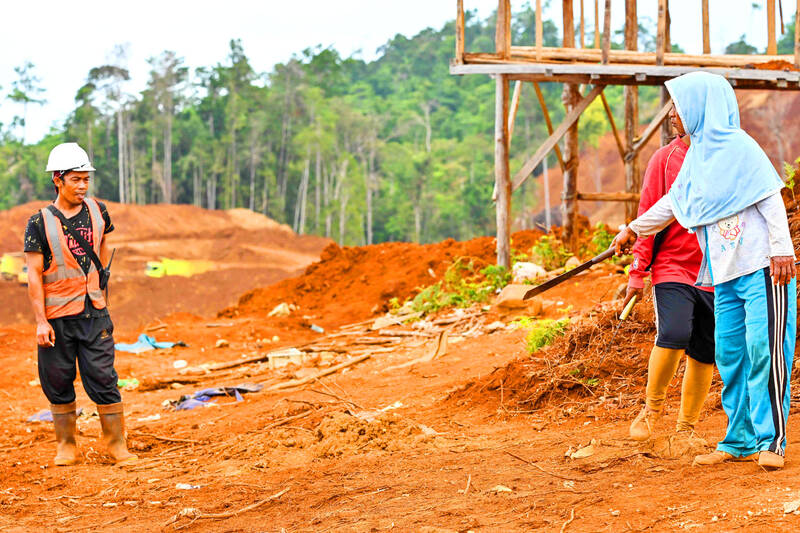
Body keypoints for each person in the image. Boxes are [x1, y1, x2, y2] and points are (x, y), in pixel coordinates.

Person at [613, 72, 796, 469]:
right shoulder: (697, 158)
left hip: (764, 268)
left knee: (765, 352)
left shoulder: (741, 149)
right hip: (724, 274)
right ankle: (740, 440)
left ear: (700, 106)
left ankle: (772, 441)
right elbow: (671, 205)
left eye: (678, 106)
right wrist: (632, 229)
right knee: (729, 355)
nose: (673, 115)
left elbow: (770, 197)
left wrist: (782, 251)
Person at [24, 142, 137, 466]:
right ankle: (66, 445)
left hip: (94, 313)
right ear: (58, 179)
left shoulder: (99, 211)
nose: (83, 186)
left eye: (86, 179)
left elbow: (104, 251)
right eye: (76, 179)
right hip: (56, 317)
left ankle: (116, 444)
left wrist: (98, 290)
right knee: (57, 380)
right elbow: (33, 275)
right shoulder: (39, 222)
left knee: (103, 376)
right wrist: (41, 321)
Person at [625, 106, 715, 445]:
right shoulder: (664, 159)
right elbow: (650, 212)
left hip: (714, 268)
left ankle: (685, 429)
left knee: (706, 349)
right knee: (675, 332)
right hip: (672, 265)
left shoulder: (720, 159)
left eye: (678, 108)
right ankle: (652, 410)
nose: (671, 115)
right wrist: (638, 269)